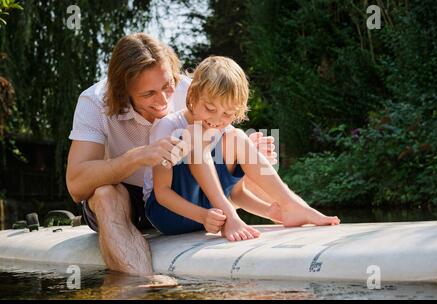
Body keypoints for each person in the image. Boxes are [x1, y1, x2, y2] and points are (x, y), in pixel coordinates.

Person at [65, 34, 275, 285]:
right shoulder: (94, 102)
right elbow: (76, 185)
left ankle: (282, 210)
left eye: (167, 87)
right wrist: (138, 157)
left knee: (240, 154)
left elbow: (216, 162)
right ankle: (142, 284)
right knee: (106, 193)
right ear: (123, 91)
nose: (163, 101)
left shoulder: (193, 91)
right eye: (148, 94)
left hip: (176, 197)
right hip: (125, 198)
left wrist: (245, 154)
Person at [143, 56, 340, 242]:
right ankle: (230, 215)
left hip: (213, 212)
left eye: (228, 114)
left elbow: (236, 193)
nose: (217, 119)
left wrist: (268, 211)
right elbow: (162, 193)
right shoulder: (167, 127)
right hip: (169, 213)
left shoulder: (225, 132)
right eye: (210, 109)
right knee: (195, 134)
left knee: (238, 136)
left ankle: (291, 205)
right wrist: (204, 216)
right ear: (192, 95)